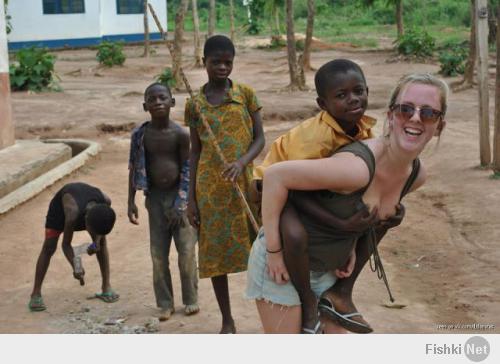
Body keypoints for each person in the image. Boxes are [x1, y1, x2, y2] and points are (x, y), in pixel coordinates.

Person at [247, 73, 448, 333]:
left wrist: (352, 243)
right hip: (283, 268)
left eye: (429, 113)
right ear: (390, 115)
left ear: (440, 125)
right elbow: (274, 175)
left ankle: (340, 296)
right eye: (405, 109)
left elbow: (360, 215)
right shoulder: (357, 168)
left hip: (330, 271)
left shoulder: (415, 176)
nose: (415, 118)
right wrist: (274, 252)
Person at [252, 59, 383, 333]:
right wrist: (340, 226)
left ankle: (338, 296)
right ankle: (308, 301)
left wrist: (351, 237)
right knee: (296, 236)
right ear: (322, 104)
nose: (353, 99)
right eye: (341, 95)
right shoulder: (315, 139)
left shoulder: (364, 130)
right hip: (275, 187)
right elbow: (293, 189)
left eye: (358, 91)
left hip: (307, 188)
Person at [185, 35, 265, 334]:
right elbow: (195, 152)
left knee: (261, 246)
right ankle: (227, 320)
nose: (222, 67)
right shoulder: (195, 105)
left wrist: (242, 162)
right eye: (215, 61)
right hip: (211, 188)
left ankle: (271, 311)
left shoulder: (245, 94)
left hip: (244, 184)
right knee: (216, 255)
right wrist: (191, 199)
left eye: (227, 62)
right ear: (204, 62)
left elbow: (260, 139)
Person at [128, 82, 199, 321]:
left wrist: (183, 203)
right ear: (145, 105)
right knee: (158, 254)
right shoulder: (140, 135)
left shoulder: (180, 134)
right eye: (152, 99)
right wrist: (131, 201)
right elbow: (133, 167)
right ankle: (165, 303)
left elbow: (188, 169)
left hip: (180, 197)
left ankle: (190, 299)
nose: (157, 102)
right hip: (155, 199)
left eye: (162, 98)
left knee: (186, 252)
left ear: (172, 102)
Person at [28, 182, 117, 311]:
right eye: (92, 230)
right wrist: (76, 266)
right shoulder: (72, 213)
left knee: (102, 244)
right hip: (60, 211)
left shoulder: (105, 201)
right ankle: (35, 294)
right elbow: (66, 245)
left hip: (84, 206)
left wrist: (97, 241)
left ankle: (106, 287)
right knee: (49, 248)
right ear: (85, 220)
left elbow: (100, 232)